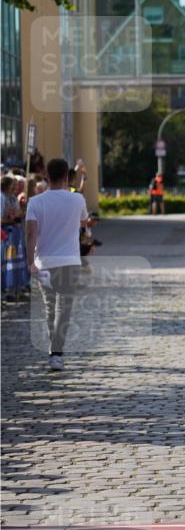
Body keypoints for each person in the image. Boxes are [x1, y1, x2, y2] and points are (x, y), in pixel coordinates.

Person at [25, 158, 89, 372]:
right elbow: (83, 222)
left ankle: (54, 351)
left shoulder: (35, 202)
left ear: (47, 176)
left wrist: (30, 262)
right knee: (64, 308)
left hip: (44, 261)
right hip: (69, 261)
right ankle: (56, 353)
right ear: (65, 177)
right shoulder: (77, 199)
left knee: (50, 306)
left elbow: (30, 233)